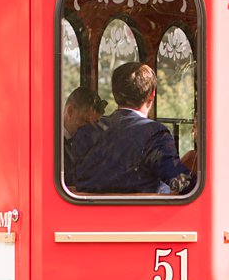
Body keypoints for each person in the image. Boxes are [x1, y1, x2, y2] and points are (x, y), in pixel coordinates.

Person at [72, 62, 195, 194]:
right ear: (152, 95)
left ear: (114, 94)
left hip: (88, 213)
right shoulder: (155, 134)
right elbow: (182, 184)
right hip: (141, 213)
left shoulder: (86, 131)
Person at [61, 86, 106, 188]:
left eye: (94, 124)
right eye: (85, 121)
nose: (89, 129)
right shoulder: (49, 140)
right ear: (70, 111)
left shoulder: (93, 141)